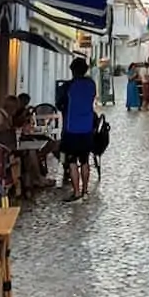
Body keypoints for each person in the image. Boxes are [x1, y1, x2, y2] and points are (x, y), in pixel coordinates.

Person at [57, 57, 97, 202]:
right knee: (85, 160)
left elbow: (59, 104)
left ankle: (76, 192)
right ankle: (86, 190)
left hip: (71, 128)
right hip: (87, 128)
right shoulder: (91, 84)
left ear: (72, 70)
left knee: (72, 161)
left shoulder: (68, 86)